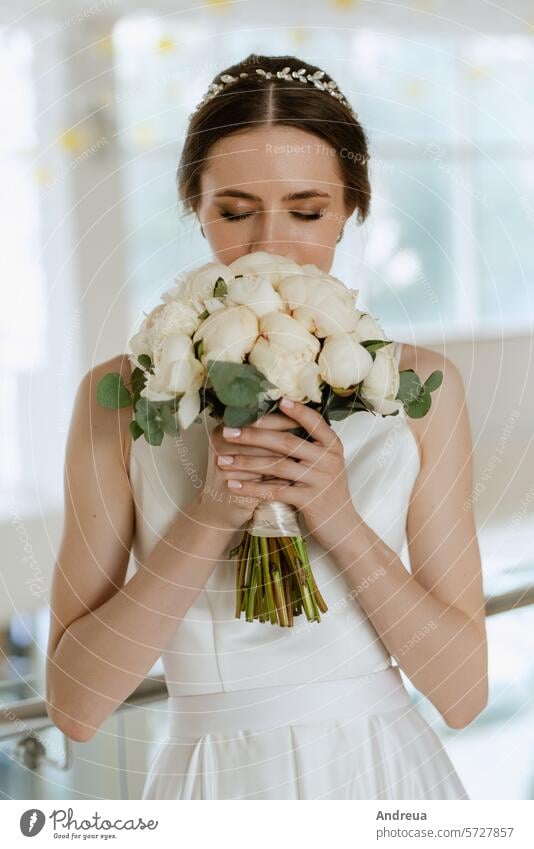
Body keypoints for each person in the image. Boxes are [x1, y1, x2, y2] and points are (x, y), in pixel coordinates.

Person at [45, 54, 488, 800]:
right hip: (210, 784)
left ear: (351, 209)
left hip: (383, 775)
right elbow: (77, 707)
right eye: (235, 209)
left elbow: (465, 695)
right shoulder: (118, 398)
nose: (269, 245)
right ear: (196, 205)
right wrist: (212, 510)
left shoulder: (424, 391)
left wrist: (337, 514)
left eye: (308, 210)